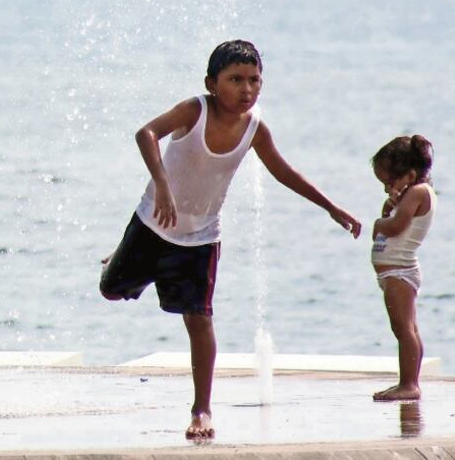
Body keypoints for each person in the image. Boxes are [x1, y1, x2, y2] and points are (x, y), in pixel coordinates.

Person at [99, 40, 361, 439]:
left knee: (199, 319)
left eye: (254, 80)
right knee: (111, 291)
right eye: (235, 80)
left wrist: (330, 207)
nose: (246, 89)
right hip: (152, 223)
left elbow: (283, 171)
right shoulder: (195, 111)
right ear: (212, 83)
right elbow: (146, 133)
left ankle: (202, 409)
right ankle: (120, 258)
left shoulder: (255, 129)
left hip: (202, 236)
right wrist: (162, 185)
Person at [369, 135, 435, 402]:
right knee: (407, 328)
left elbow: (395, 228)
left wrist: (379, 222)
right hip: (393, 273)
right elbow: (388, 228)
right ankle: (408, 381)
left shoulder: (419, 192)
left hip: (400, 271)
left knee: (404, 329)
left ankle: (409, 384)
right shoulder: (409, 195)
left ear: (410, 174)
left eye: (389, 182)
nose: (387, 189)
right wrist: (388, 210)